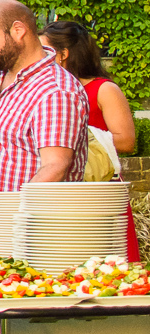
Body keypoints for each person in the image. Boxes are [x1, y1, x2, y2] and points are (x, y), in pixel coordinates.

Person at [0, 0, 88, 223]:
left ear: (18, 30)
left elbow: (55, 166)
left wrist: (10, 221)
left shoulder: (54, 90)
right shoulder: (5, 77)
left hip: (26, 235)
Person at [46, 18, 139, 255]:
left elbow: (127, 141)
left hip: (98, 189)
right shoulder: (48, 91)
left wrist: (69, 140)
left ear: (63, 54)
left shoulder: (104, 89)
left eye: (45, 49)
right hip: (62, 189)